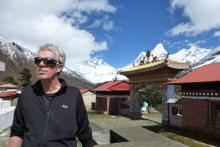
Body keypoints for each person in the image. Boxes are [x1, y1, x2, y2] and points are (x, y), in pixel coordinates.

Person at [8, 43, 94, 147]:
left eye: (48, 61)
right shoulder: (26, 94)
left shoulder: (73, 95)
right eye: (38, 60)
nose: (41, 64)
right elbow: (17, 132)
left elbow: (85, 133)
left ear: (59, 67)